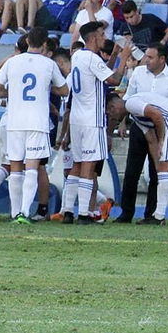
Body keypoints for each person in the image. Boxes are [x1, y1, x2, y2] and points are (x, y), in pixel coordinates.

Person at [0, 27, 68, 224]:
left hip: (15, 121)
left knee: (15, 167)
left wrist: (13, 94)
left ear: (27, 42)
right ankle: (25, 212)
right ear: (44, 44)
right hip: (37, 122)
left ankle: (15, 212)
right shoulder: (49, 64)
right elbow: (65, 89)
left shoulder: (12, 62)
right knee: (32, 167)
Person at [63, 20, 122, 223]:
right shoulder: (91, 57)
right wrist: (125, 58)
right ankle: (84, 214)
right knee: (88, 166)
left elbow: (100, 72)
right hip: (92, 120)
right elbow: (114, 80)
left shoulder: (77, 56)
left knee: (76, 165)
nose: (104, 38)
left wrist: (113, 55)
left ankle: (68, 211)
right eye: (102, 35)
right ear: (93, 38)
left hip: (77, 118)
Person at [122, 88, 168, 224]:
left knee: (166, 170)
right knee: (166, 171)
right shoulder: (136, 117)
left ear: (114, 106)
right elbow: (151, 140)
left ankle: (159, 216)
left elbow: (158, 115)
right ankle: (159, 215)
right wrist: (157, 165)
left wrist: (162, 140)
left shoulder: (130, 103)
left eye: (110, 112)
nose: (111, 116)